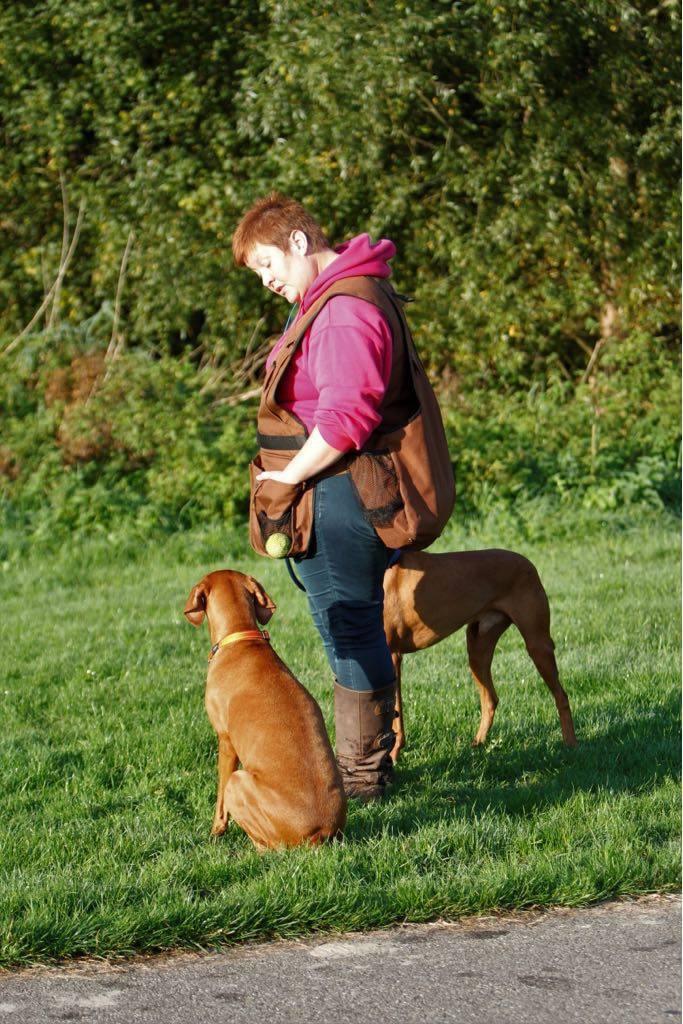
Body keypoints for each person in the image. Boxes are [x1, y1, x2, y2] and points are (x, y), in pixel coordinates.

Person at [232, 192, 408, 802]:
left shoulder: (342, 311)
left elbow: (346, 418)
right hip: (335, 491)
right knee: (353, 627)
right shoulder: (338, 295)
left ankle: (361, 778)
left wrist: (285, 479)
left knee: (349, 628)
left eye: (267, 264)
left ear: (299, 243)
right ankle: (365, 765)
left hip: (339, 496)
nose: (267, 281)